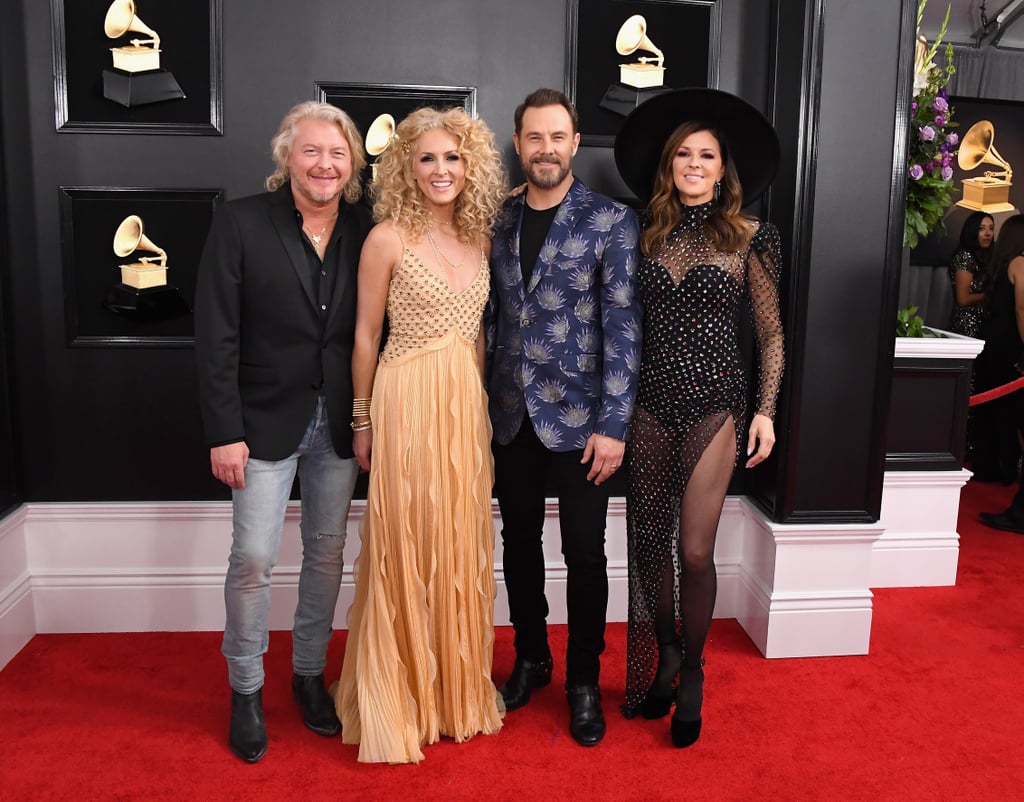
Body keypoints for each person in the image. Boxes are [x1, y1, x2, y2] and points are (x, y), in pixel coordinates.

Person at [194, 101, 373, 763]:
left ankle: (307, 677)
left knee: (326, 556)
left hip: (340, 425)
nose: (324, 163)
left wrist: (367, 414)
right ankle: (245, 689)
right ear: (287, 157)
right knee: (254, 562)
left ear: (351, 163)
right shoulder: (240, 222)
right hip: (258, 424)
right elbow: (215, 336)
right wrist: (224, 431)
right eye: (311, 151)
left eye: (336, 152)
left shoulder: (368, 226)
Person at [333, 106, 508, 764]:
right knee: (406, 543)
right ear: (407, 165)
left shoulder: (481, 237)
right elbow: (363, 337)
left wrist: (481, 410)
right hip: (403, 398)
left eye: (453, 158)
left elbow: (479, 337)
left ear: (472, 166)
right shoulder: (387, 238)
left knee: (456, 541)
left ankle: (452, 692)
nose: (441, 170)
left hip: (463, 404)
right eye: (428, 158)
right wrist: (361, 418)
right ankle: (399, 691)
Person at [613, 88, 784, 748]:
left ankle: (695, 673)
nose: (692, 163)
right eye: (682, 153)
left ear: (723, 167)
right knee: (650, 549)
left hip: (715, 406)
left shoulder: (750, 236)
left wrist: (766, 411)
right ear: (668, 165)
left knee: (695, 549)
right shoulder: (643, 233)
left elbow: (769, 335)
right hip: (648, 406)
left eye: (705, 154)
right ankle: (667, 656)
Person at [487, 88, 642, 747]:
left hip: (585, 421)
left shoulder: (609, 220)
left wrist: (614, 424)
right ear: (518, 144)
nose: (545, 148)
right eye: (534, 137)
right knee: (518, 543)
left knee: (584, 551)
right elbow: (491, 316)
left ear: (576, 144)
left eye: (558, 136)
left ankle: (582, 679)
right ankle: (531, 658)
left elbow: (625, 327)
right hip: (510, 415)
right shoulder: (494, 217)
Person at [977, 214, 1024, 533]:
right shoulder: (1020, 262)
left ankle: (992, 466)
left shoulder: (997, 261)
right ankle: (1007, 469)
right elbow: (1022, 310)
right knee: (1011, 412)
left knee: (995, 411)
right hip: (1011, 344)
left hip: (992, 340)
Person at [948, 211, 994, 338]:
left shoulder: (988, 256)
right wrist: (990, 295)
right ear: (972, 231)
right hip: (967, 326)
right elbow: (963, 299)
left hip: (985, 324)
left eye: (991, 228)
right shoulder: (965, 256)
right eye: (982, 229)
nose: (988, 233)